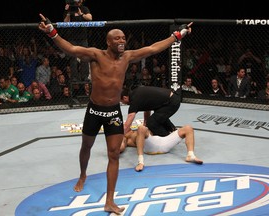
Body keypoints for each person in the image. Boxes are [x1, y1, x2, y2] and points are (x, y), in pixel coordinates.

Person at [38, 14, 192, 214]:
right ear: (108, 42)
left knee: (114, 155)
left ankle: (109, 200)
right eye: (117, 38)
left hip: (113, 111)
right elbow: (71, 49)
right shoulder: (96, 55)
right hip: (94, 109)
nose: (122, 41)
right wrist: (52, 32)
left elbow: (154, 48)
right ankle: (83, 174)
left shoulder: (127, 56)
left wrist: (177, 35)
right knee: (86, 146)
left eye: (123, 38)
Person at [121, 124, 203, 171]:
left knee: (188, 128)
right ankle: (140, 161)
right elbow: (121, 147)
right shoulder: (128, 137)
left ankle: (190, 155)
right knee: (141, 128)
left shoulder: (140, 129)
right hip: (150, 146)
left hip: (163, 142)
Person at [63, 0, 92, 82]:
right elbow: (65, 22)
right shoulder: (69, 9)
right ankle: (74, 77)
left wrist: (81, 14)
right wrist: (68, 12)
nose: (77, 3)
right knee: (73, 58)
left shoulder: (84, 9)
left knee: (85, 57)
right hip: (72, 38)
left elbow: (90, 18)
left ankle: (85, 76)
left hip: (83, 37)